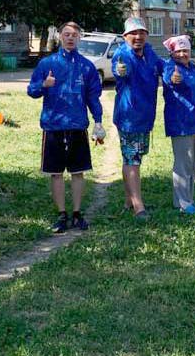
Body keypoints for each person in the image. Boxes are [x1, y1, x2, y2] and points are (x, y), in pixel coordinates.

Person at [27, 22, 106, 233]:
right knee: (56, 173)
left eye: (74, 35)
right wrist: (44, 85)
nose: (70, 38)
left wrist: (98, 122)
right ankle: (62, 215)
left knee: (78, 172)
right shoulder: (47, 64)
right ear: (60, 36)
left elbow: (93, 97)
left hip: (78, 126)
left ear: (79, 38)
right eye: (66, 34)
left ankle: (77, 214)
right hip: (53, 126)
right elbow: (31, 91)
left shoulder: (87, 66)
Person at [112, 16, 163, 220]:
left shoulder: (149, 53)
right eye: (133, 33)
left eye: (141, 32)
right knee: (132, 159)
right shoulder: (122, 54)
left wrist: (181, 65)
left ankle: (129, 200)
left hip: (145, 116)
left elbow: (163, 66)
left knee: (135, 158)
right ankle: (138, 206)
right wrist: (120, 72)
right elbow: (120, 70)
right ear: (125, 36)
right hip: (129, 117)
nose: (138, 36)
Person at [161, 35, 195, 214]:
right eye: (178, 51)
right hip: (182, 123)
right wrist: (174, 78)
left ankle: (188, 200)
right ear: (172, 53)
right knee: (183, 164)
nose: (183, 54)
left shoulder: (193, 67)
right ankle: (183, 203)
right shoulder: (170, 67)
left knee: (193, 163)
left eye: (186, 50)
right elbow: (170, 78)